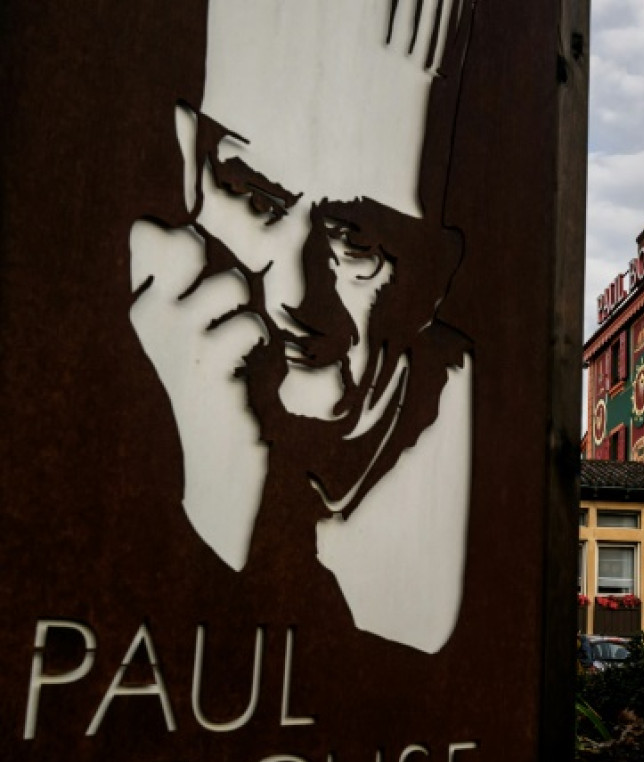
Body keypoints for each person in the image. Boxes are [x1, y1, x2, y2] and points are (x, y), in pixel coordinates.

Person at [129, 0, 475, 653]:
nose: (292, 292)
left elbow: (399, 650)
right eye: (257, 200)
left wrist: (223, 495)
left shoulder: (445, 412)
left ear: (434, 279)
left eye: (356, 245)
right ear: (189, 165)